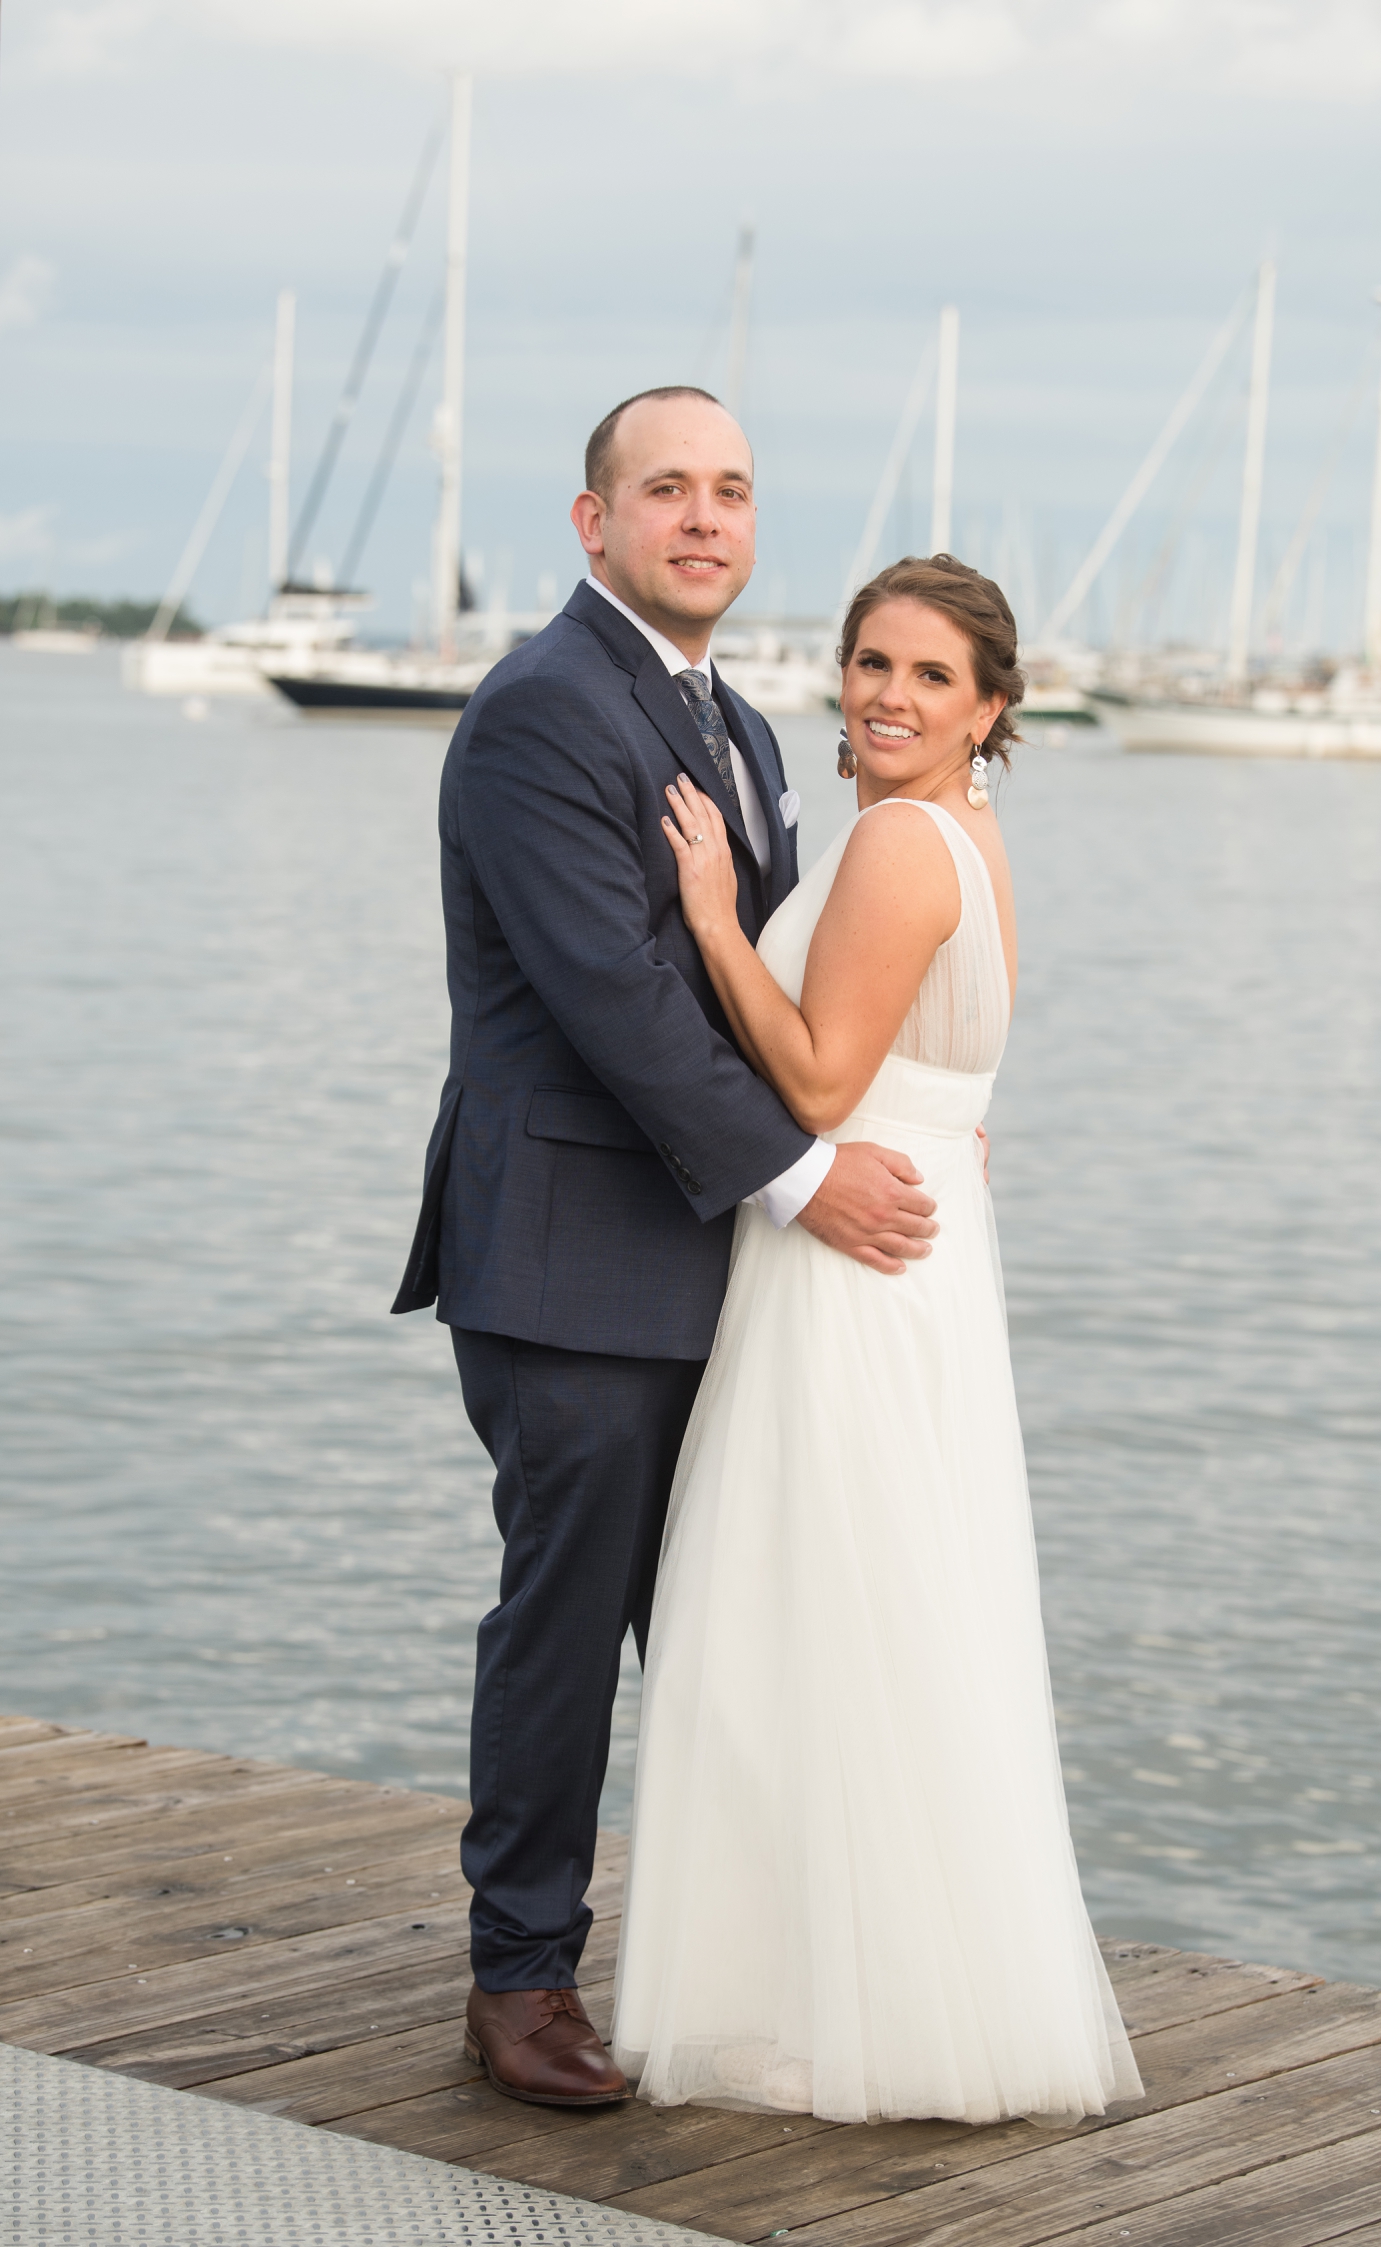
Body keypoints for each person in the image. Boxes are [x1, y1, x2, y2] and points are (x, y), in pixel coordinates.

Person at [392, 386, 943, 2107]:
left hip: (721, 1263)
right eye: (666, 491)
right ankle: (520, 1981)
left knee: (727, 1621)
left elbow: (772, 990)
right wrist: (803, 1176)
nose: (703, 518)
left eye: (732, 492)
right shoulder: (542, 715)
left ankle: (750, 1949)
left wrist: (902, 1121)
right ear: (594, 522)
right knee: (568, 1617)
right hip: (567, 1255)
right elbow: (619, 1003)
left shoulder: (748, 733)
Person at [612, 555, 1142, 2125]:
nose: (888, 697)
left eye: (928, 676)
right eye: (869, 664)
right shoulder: (967, 838)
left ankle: (832, 2004)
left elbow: (824, 1084)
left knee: (820, 1609)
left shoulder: (903, 844)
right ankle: (888, 1991)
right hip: (925, 1257)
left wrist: (712, 918)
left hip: (853, 1266)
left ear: (991, 707)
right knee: (897, 1608)